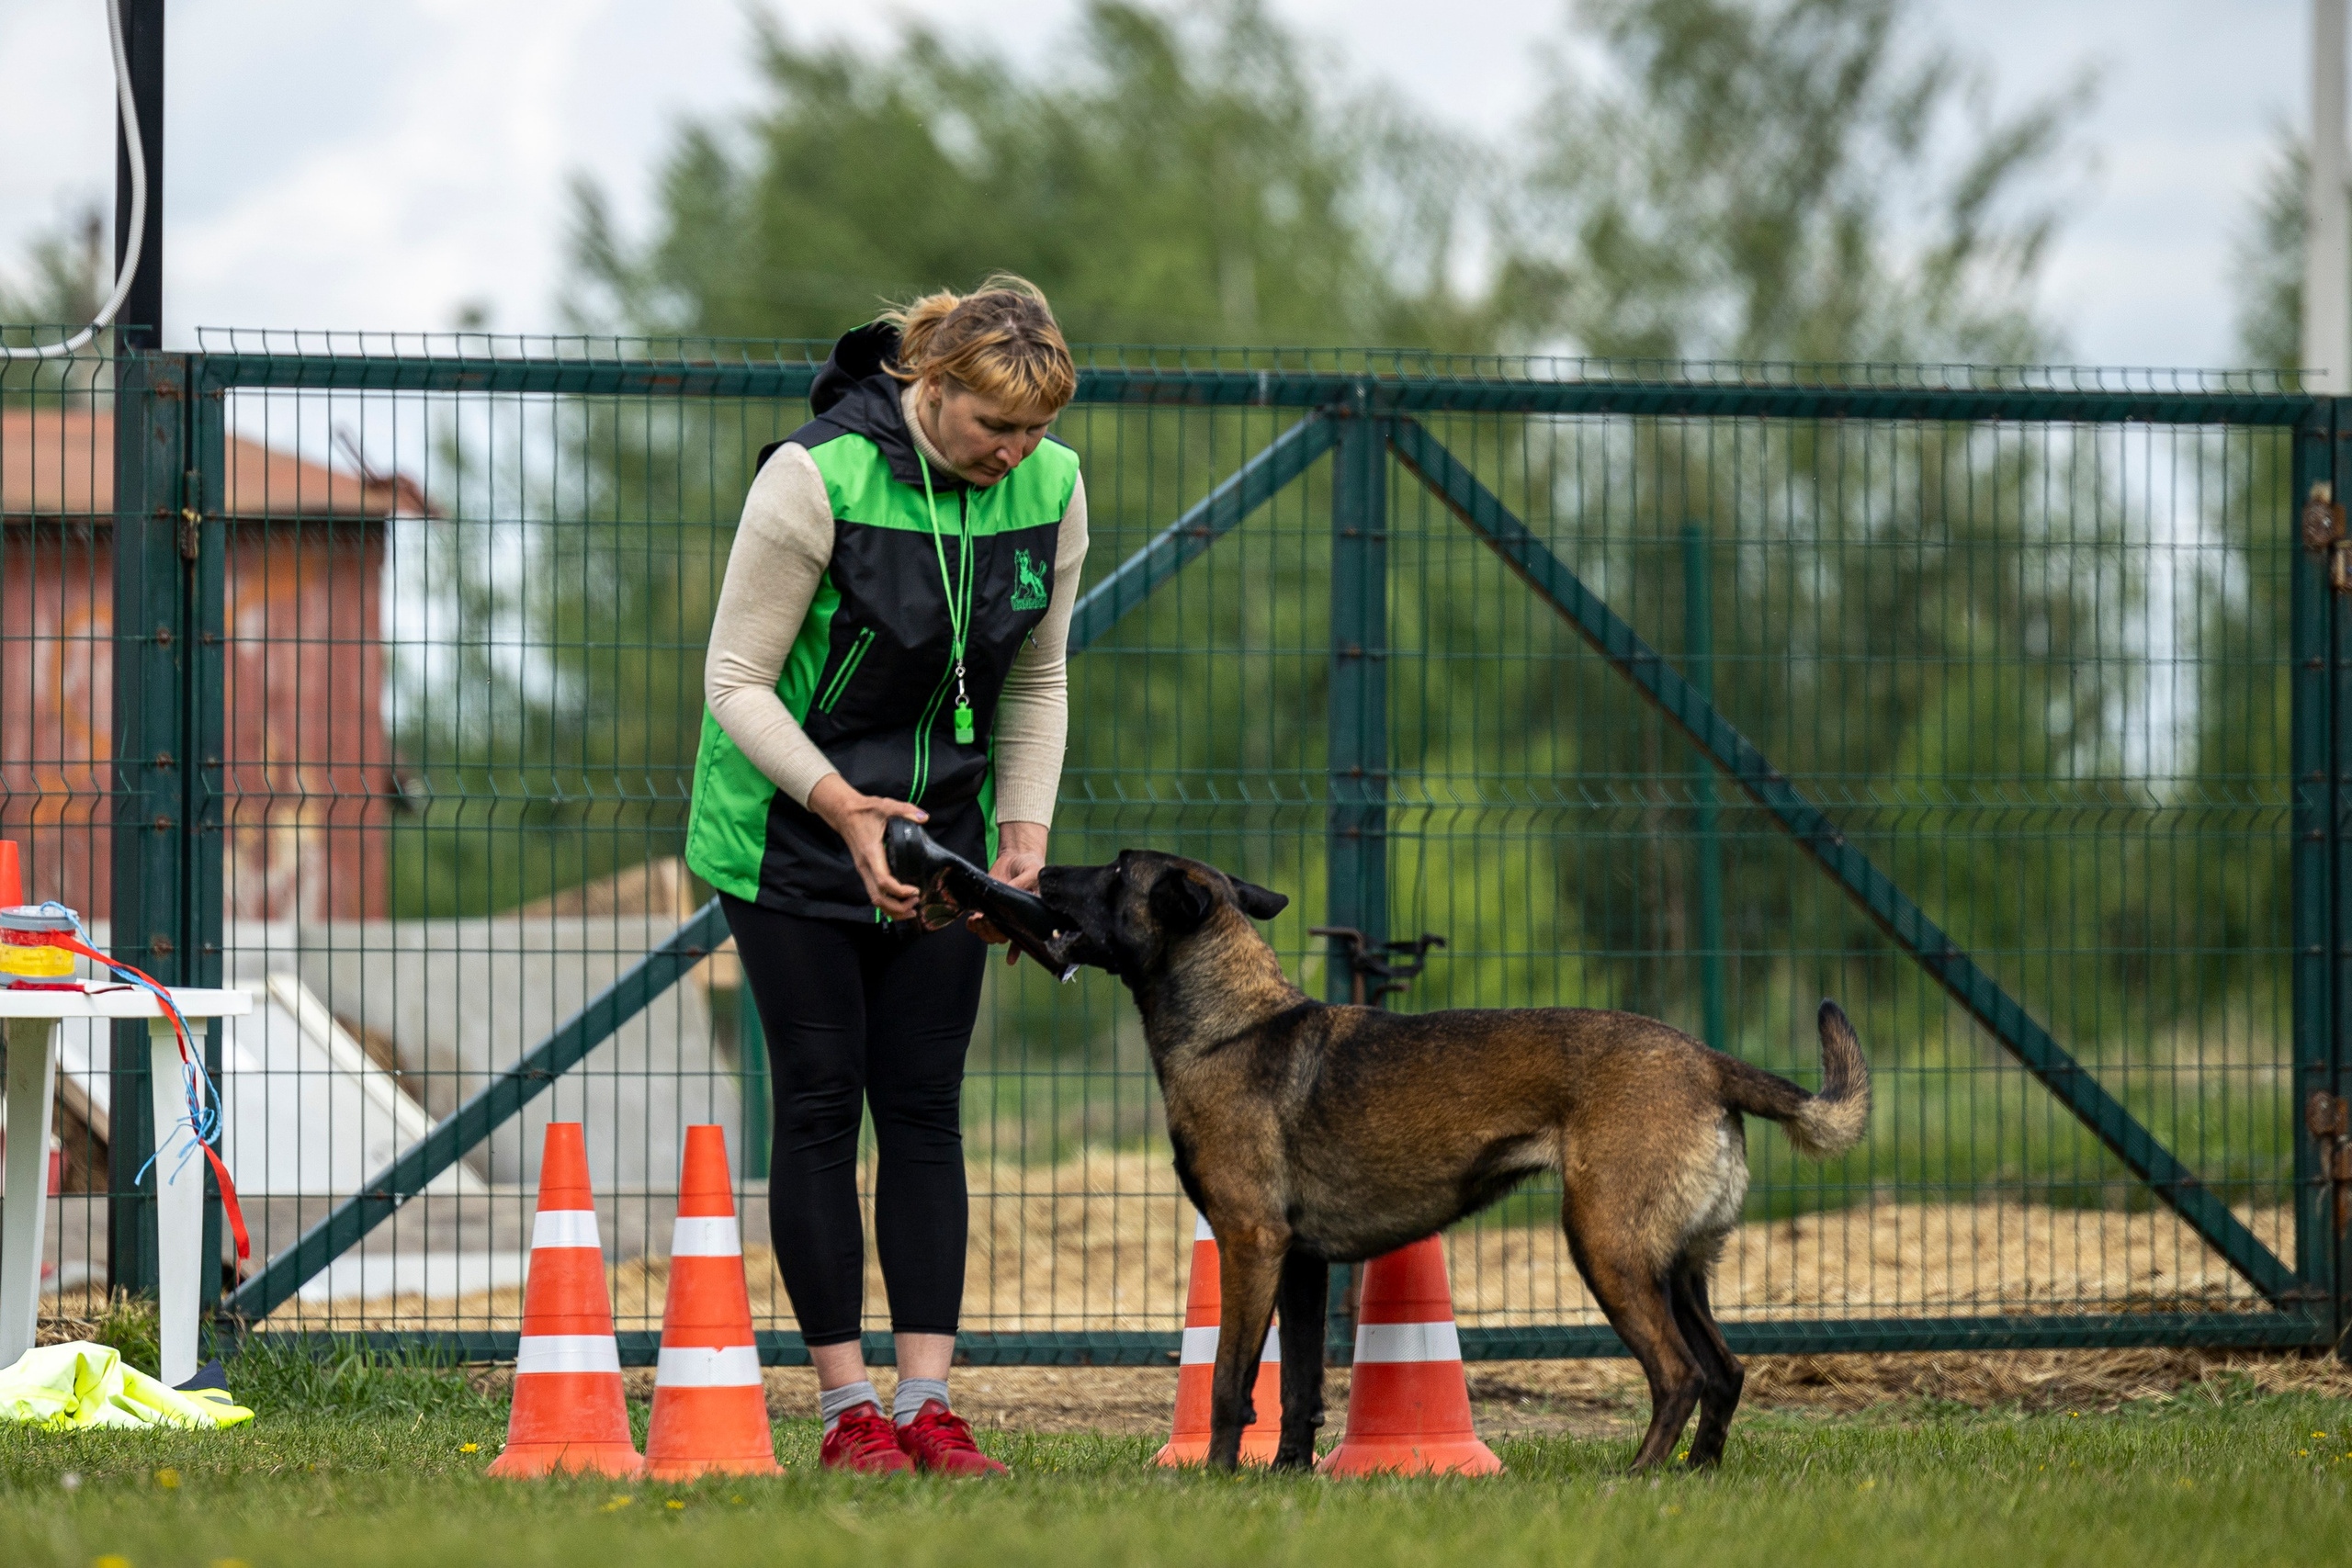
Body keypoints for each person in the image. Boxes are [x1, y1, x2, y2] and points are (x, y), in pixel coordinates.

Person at [685, 276, 1087, 1476]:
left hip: (942, 834)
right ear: (931, 385)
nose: (1013, 453)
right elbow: (734, 683)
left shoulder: (1052, 489)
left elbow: (1039, 678)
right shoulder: (815, 478)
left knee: (922, 1108)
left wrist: (1020, 831)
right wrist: (843, 806)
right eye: (991, 429)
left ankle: (927, 1404)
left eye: (1034, 432)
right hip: (790, 823)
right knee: (820, 1099)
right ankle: (845, 1409)